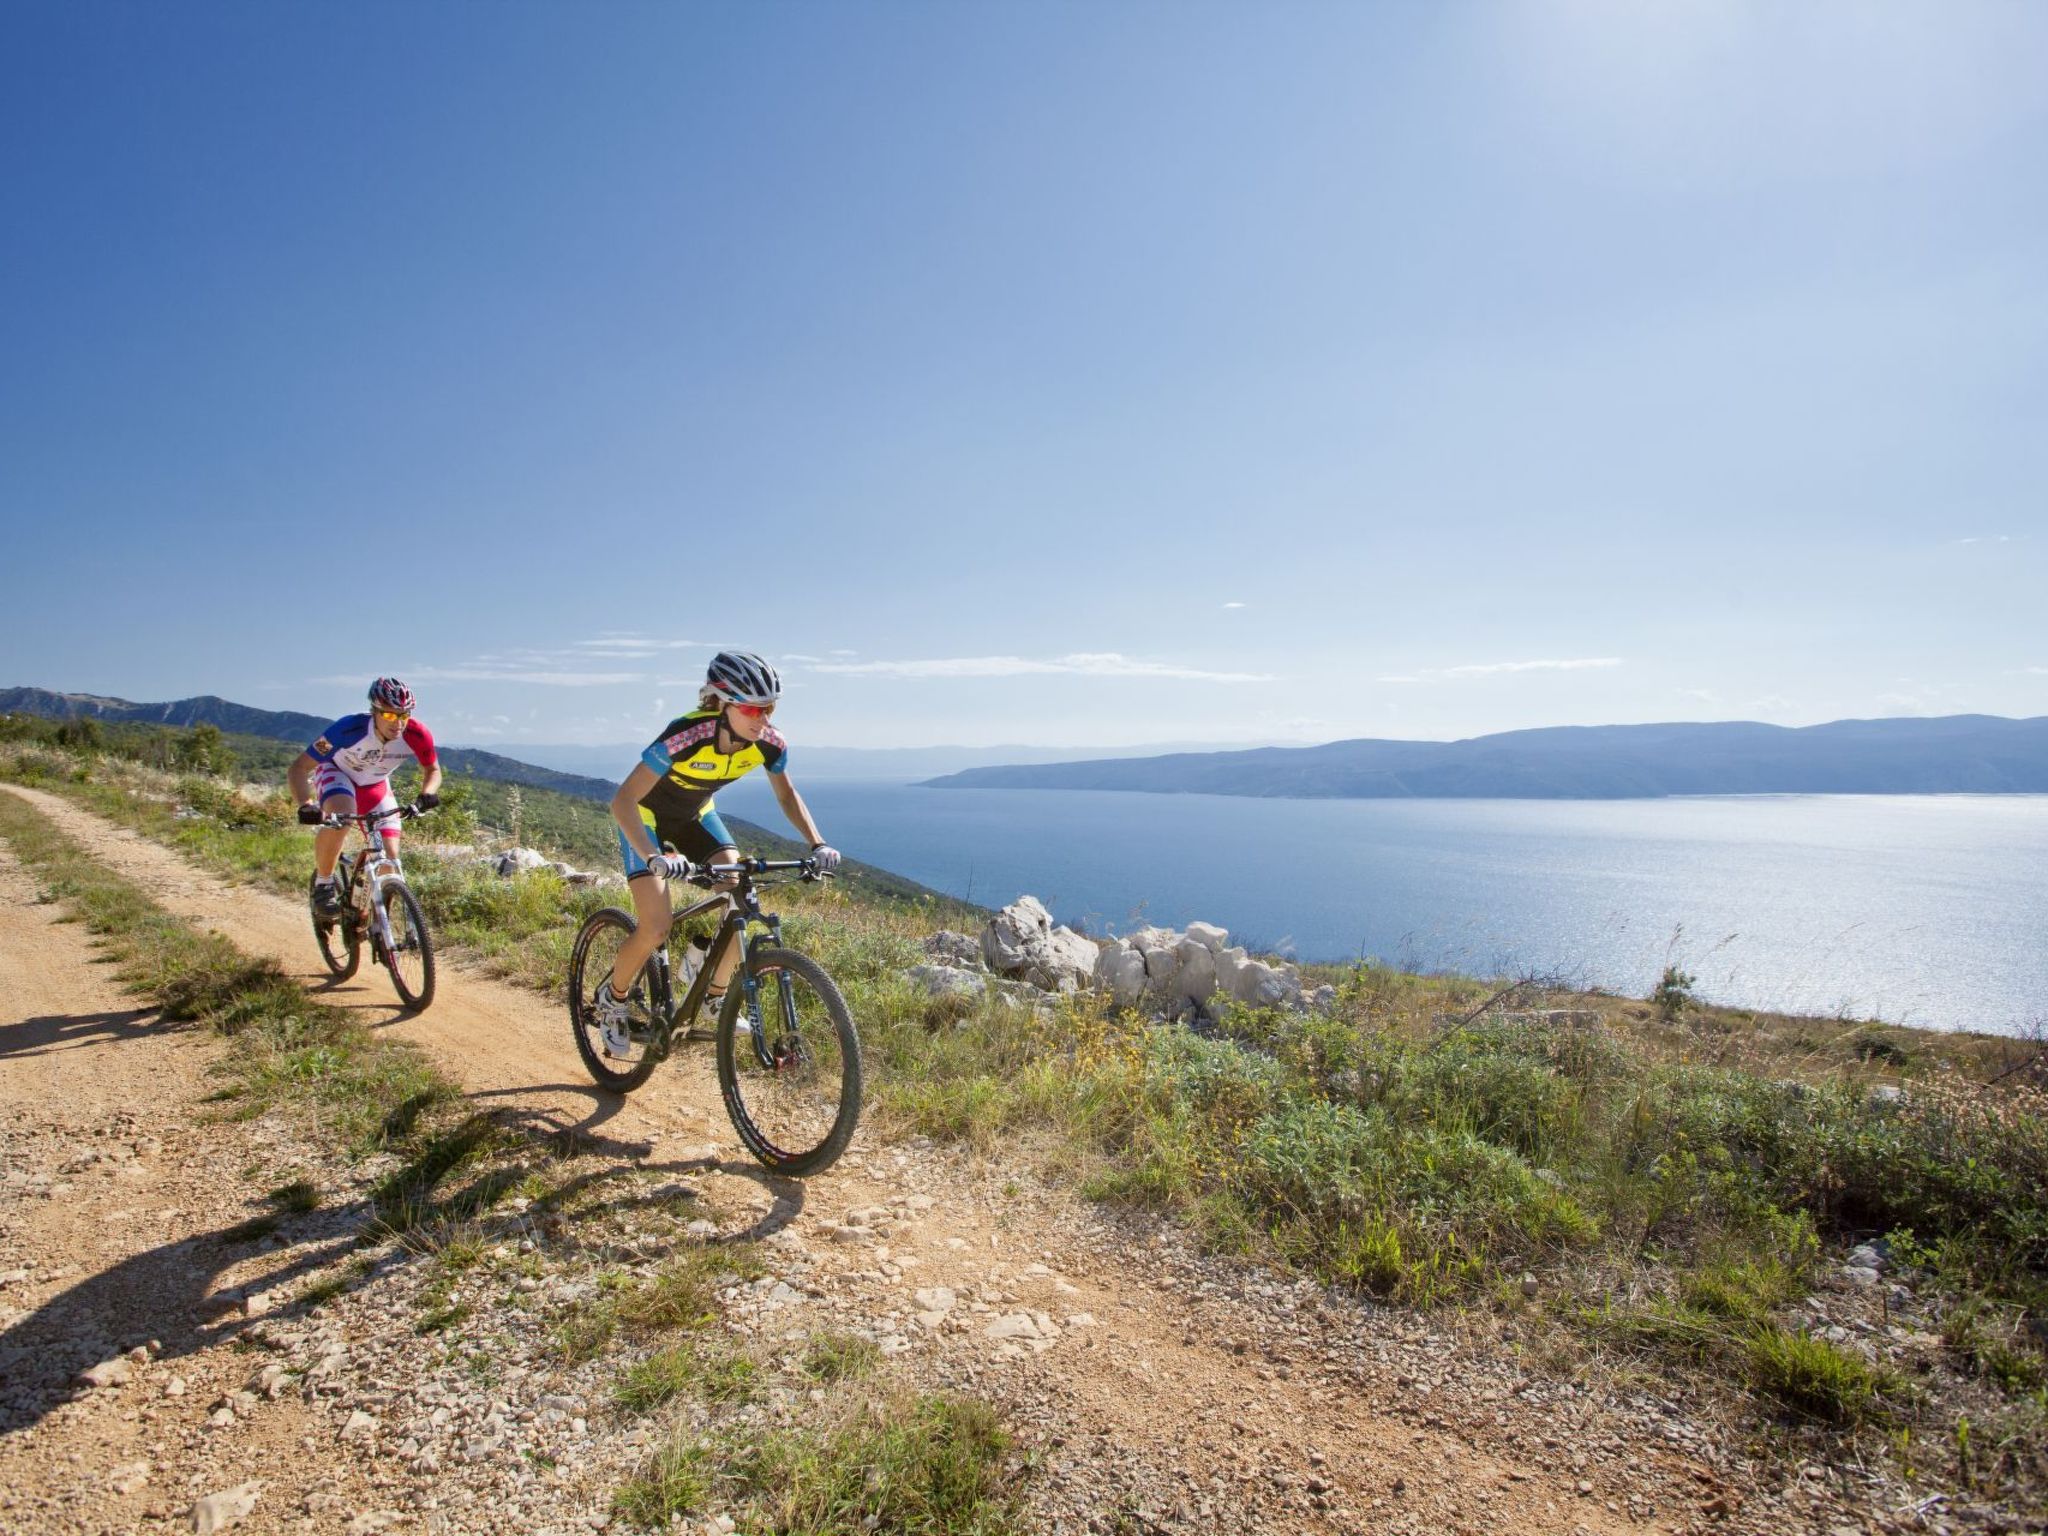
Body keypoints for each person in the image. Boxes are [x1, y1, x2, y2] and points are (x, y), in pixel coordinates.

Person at [595, 650, 839, 1057]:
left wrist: (818, 843)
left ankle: (712, 992)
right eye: (751, 708)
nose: (762, 718)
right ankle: (612, 999)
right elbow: (622, 801)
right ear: (722, 702)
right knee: (656, 926)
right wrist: (653, 857)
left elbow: (787, 794)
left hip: (695, 815)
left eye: (769, 708)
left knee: (739, 890)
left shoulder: (769, 744)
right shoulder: (686, 735)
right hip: (646, 817)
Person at [288, 677, 443, 920]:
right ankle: (324, 883)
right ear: (374, 712)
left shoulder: (417, 733)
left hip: (375, 785)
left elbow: (433, 770)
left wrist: (427, 794)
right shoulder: (348, 729)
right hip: (337, 773)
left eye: (404, 715)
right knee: (343, 817)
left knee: (390, 858)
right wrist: (306, 805)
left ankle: (373, 916)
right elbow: (298, 768)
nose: (398, 723)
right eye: (390, 715)